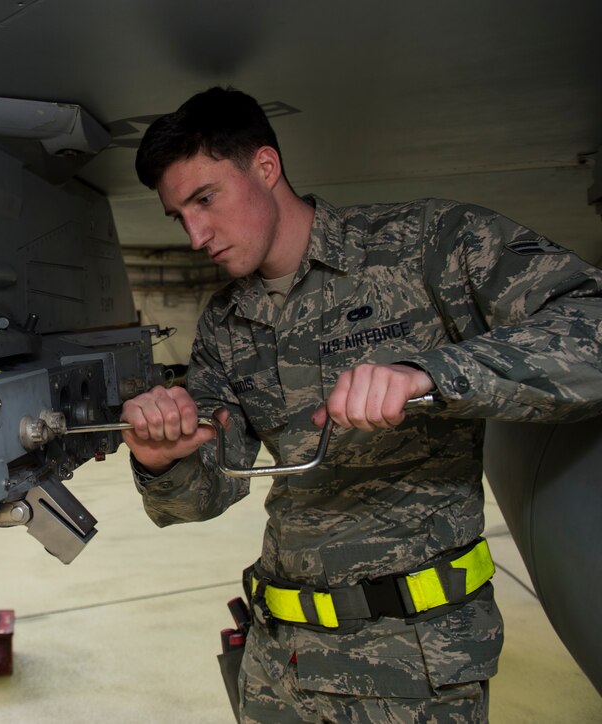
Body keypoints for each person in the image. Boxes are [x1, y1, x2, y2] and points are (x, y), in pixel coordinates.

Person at [122, 86, 602, 722]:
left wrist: (427, 375)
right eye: (179, 216)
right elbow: (206, 496)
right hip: (281, 665)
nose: (195, 235)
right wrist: (165, 461)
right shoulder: (225, 324)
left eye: (204, 200)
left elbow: (589, 321)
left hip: (414, 666)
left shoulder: (428, 244)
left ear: (265, 168)